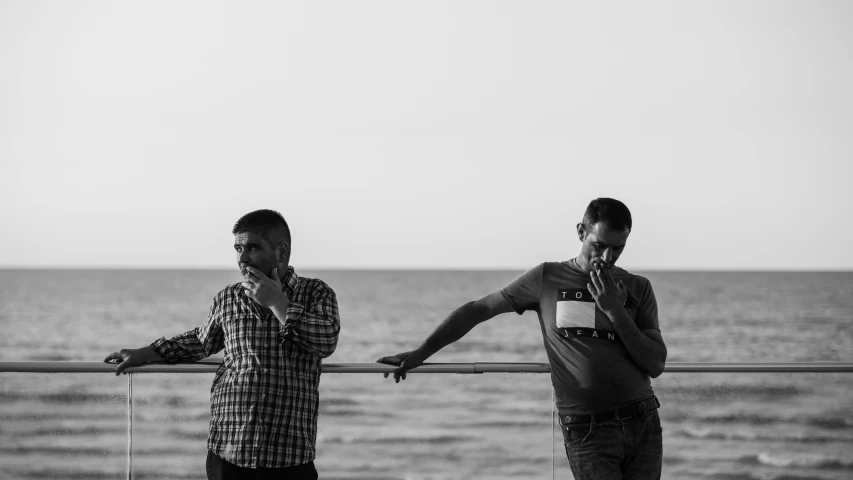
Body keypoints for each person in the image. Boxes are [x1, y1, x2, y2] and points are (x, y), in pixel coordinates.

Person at [377, 197, 666, 479]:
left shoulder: (637, 287)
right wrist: (421, 353)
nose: (607, 258)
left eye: (618, 249)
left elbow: (654, 363)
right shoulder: (547, 277)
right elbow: (479, 310)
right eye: (599, 246)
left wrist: (615, 310)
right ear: (581, 232)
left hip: (643, 421)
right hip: (587, 429)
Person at [104, 209, 340, 480]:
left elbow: (327, 340)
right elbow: (201, 341)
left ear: (282, 251)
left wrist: (279, 303)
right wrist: (145, 353)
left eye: (252, 247)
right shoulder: (228, 297)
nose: (242, 257)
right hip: (228, 449)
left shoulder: (316, 293)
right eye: (238, 248)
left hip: (289, 455)